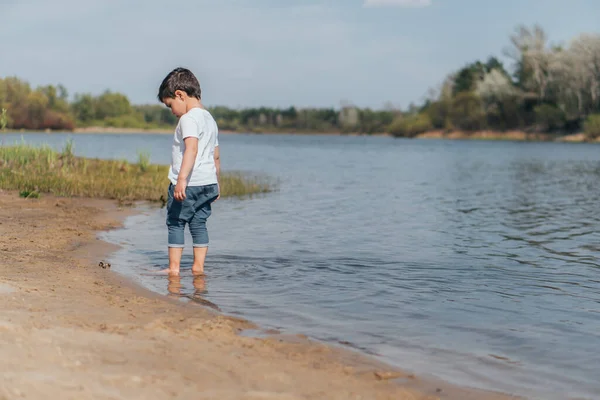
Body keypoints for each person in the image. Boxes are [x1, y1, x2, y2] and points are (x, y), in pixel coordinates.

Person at [157, 67, 220, 276]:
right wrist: (216, 182)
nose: (172, 111)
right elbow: (215, 155)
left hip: (189, 183)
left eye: (170, 105)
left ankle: (174, 269)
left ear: (180, 95)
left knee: (176, 221)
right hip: (207, 184)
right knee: (199, 222)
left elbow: (191, 148)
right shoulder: (210, 119)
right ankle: (198, 268)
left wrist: (181, 179)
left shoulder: (188, 119)